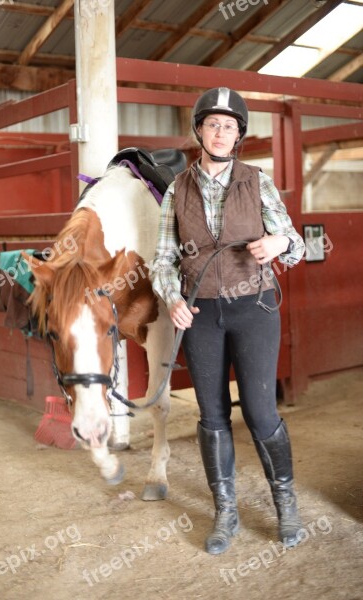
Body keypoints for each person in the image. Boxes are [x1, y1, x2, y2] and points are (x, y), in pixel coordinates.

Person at [150, 87, 306, 555]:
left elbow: (295, 243)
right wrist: (172, 296)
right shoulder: (177, 189)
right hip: (200, 314)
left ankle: (285, 503)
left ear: (239, 135)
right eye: (213, 124)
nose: (221, 133)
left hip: (254, 309)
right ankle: (226, 512)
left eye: (230, 126)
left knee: (260, 412)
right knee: (212, 415)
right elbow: (161, 260)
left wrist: (279, 245)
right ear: (199, 130)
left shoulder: (258, 181)